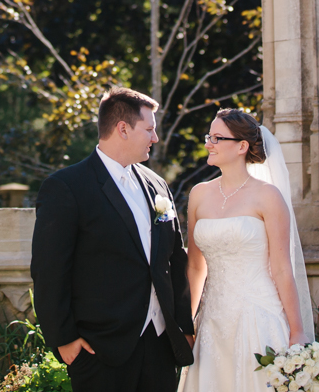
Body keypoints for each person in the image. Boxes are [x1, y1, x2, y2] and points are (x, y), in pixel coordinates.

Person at [31, 87, 196, 392]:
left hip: (160, 345)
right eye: (149, 129)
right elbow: (49, 271)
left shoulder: (157, 185)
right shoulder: (66, 187)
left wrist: (183, 326)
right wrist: (64, 340)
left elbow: (174, 260)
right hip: (99, 350)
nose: (155, 138)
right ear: (123, 129)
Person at [178, 108, 313, 392]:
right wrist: (187, 324)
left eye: (217, 138)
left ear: (241, 146)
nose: (208, 144)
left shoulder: (268, 196)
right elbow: (195, 267)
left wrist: (297, 330)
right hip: (212, 322)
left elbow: (281, 268)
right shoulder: (199, 194)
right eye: (208, 136)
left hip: (258, 317)